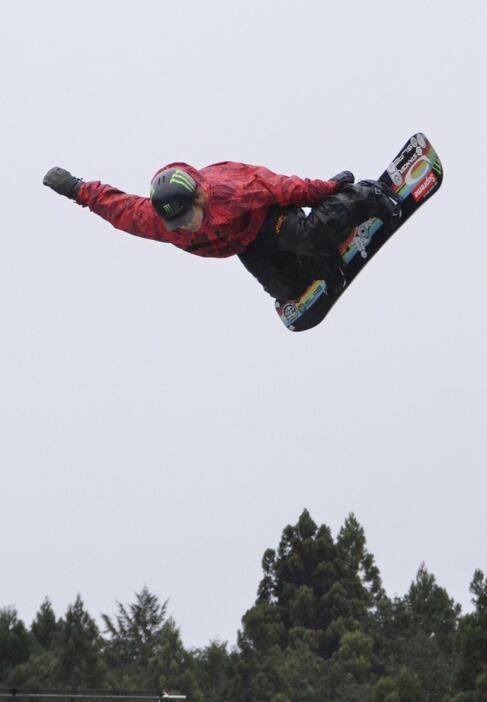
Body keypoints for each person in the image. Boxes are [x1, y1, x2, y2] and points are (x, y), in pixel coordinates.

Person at [43, 160, 401, 301]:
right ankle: (322, 259)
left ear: (198, 198)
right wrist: (76, 189)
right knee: (287, 290)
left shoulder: (231, 191)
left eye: (186, 218)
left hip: (268, 217)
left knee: (305, 236)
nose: (183, 228)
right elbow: (119, 208)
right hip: (247, 244)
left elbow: (283, 188)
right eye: (175, 224)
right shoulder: (163, 223)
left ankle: (364, 196)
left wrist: (326, 189)